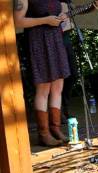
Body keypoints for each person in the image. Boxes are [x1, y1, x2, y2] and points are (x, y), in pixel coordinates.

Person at [14, 0, 70, 146]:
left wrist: (61, 17)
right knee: (43, 88)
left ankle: (55, 128)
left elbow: (58, 13)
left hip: (56, 38)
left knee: (58, 87)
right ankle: (43, 133)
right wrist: (45, 20)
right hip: (38, 40)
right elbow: (18, 21)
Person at [60, 0, 98, 121]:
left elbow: (75, 10)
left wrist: (93, 6)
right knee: (58, 77)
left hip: (65, 38)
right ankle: (57, 112)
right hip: (52, 39)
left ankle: (64, 107)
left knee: (72, 74)